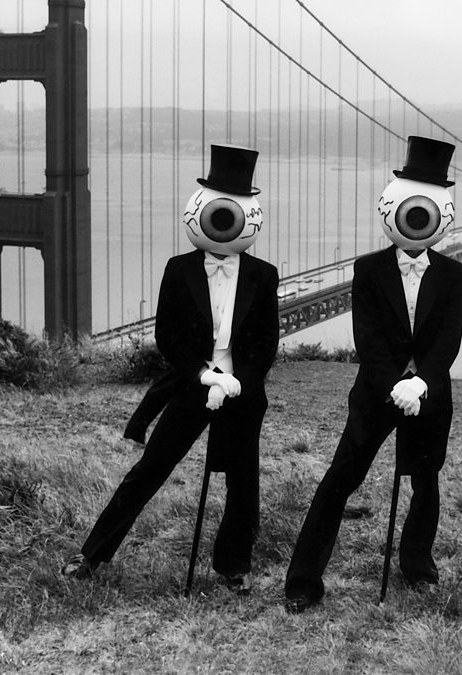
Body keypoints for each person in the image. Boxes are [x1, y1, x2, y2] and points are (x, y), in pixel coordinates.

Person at [60, 144, 280, 594]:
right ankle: (92, 554)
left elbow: (266, 342)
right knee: (150, 468)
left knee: (243, 481)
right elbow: (168, 336)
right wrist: (204, 375)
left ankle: (233, 566)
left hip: (241, 392)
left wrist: (236, 381)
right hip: (190, 387)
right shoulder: (179, 270)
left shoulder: (264, 274)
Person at [283, 136, 462, 613]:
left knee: (425, 482)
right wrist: (395, 384)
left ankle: (418, 567)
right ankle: (303, 581)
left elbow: (449, 339)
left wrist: (421, 382)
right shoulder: (368, 269)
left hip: (430, 394)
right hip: (375, 393)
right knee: (341, 477)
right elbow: (368, 339)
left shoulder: (452, 273)